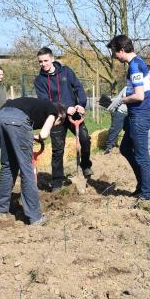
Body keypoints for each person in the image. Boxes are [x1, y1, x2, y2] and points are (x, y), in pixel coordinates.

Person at [0, 97, 66, 225]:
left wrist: (25, 135)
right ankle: (35, 216)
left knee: (8, 165)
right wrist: (35, 136)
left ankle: (0, 210)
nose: (55, 125)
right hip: (16, 120)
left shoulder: (36, 104)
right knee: (27, 169)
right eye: (57, 123)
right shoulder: (54, 110)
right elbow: (44, 134)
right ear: (59, 116)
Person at [33, 47, 92, 191]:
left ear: (52, 59)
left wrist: (81, 104)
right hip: (56, 117)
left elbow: (78, 88)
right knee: (58, 150)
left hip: (74, 113)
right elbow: (45, 102)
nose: (43, 64)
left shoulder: (66, 72)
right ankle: (57, 182)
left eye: (46, 60)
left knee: (85, 139)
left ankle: (85, 165)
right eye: (40, 62)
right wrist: (65, 108)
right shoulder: (39, 80)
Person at [106, 35, 150, 200]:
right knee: (125, 148)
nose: (114, 56)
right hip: (140, 114)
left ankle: (146, 194)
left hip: (139, 117)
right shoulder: (140, 62)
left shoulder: (134, 66)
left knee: (142, 156)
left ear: (121, 50)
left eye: (114, 52)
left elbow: (139, 95)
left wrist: (121, 100)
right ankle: (142, 186)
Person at [103, 87, 128, 154]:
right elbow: (123, 98)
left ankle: (126, 146)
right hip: (120, 111)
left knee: (129, 130)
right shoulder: (127, 87)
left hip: (129, 113)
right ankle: (109, 147)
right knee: (115, 129)